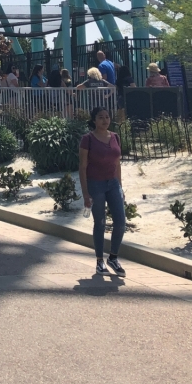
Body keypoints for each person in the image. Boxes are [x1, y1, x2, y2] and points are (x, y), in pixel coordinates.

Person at [80, 106, 126, 276]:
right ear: (94, 120)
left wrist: (120, 187)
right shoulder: (88, 139)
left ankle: (113, 257)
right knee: (100, 223)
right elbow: (83, 167)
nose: (105, 120)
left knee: (120, 222)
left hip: (113, 184)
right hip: (95, 184)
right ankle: (99, 260)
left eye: (107, 117)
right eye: (101, 117)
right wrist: (86, 193)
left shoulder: (115, 137)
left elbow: (117, 163)